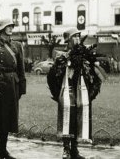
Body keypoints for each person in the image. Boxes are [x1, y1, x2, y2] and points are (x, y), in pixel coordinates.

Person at [0, 19, 26, 159]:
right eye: (8, 26)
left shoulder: (17, 45)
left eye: (12, 26)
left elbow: (21, 68)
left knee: (7, 119)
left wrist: (21, 87)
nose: (11, 28)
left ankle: (3, 149)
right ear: (1, 28)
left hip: (12, 85)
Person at [49, 28, 89, 159]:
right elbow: (53, 76)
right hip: (67, 94)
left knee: (77, 121)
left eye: (79, 36)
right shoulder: (62, 57)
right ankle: (66, 149)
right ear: (69, 40)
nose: (78, 39)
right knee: (67, 121)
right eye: (75, 37)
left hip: (79, 94)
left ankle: (75, 149)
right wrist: (58, 95)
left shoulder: (84, 56)